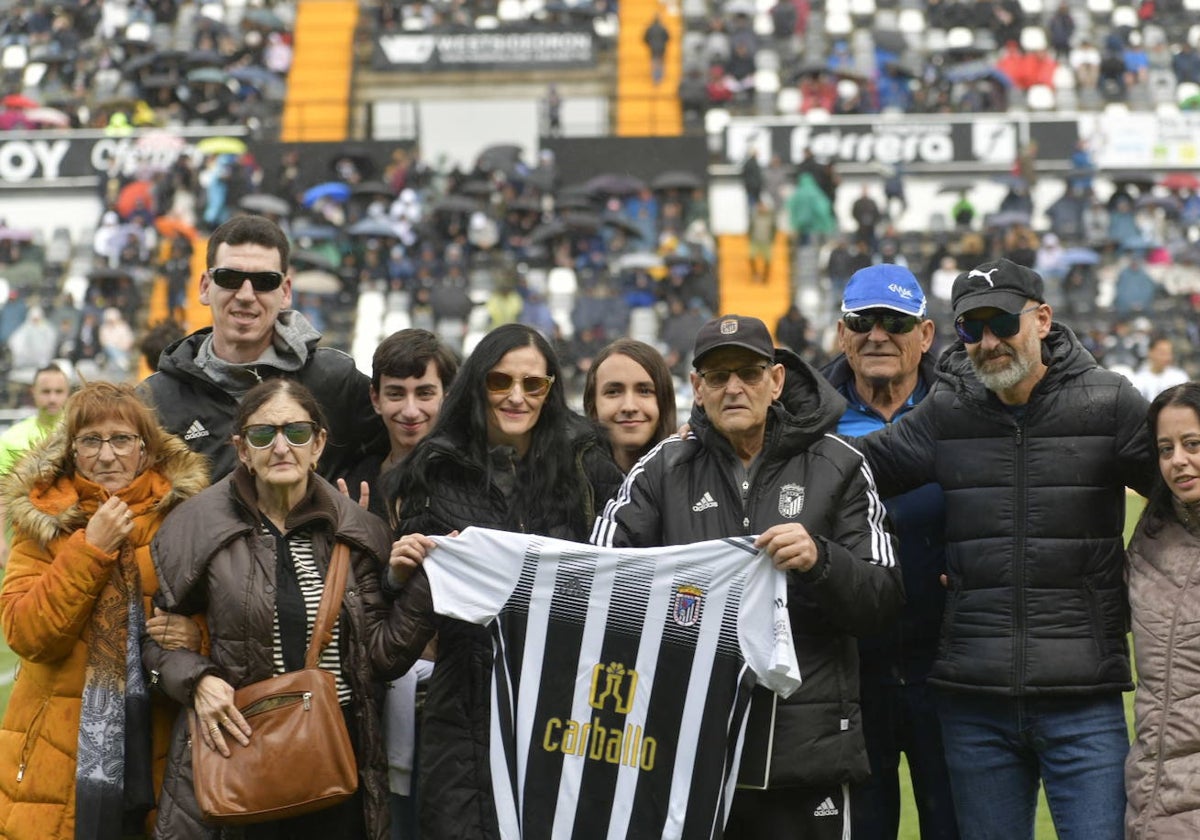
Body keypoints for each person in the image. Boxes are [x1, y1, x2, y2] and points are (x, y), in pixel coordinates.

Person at [854, 258, 1156, 840]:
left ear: (1041, 319)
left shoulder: (1109, 401)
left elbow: (1177, 492)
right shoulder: (947, 411)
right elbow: (855, 469)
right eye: (971, 328)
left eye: (1000, 323)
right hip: (974, 701)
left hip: (1084, 696)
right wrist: (746, 439)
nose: (988, 341)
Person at [591, 314, 903, 838]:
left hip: (805, 753)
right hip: (687, 752)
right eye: (717, 375)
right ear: (697, 387)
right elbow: (597, 580)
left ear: (776, 380)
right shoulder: (661, 470)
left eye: (749, 373)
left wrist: (822, 560)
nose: (734, 387)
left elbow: (884, 599)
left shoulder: (841, 464)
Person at [382, 323, 624, 839]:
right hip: (463, 702)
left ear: (551, 389)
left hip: (567, 701)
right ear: (476, 384)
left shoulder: (588, 467)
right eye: (500, 381)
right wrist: (396, 573)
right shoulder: (435, 469)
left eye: (533, 384)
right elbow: (403, 616)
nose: (516, 396)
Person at [143, 378, 399, 838]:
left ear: (318, 443)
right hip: (238, 755)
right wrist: (197, 681)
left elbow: (382, 657)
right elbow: (157, 644)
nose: (281, 446)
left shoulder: (359, 531)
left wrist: (418, 587)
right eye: (263, 435)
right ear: (242, 449)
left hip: (333, 757)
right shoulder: (196, 527)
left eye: (296, 433)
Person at [0, 381, 209, 838]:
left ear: (146, 449)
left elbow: (227, 619)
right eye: (91, 441)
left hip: (160, 740)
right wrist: (91, 548)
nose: (107, 456)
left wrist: (197, 636)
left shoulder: (186, 515)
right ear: (72, 450)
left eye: (121, 440)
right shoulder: (44, 517)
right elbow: (27, 634)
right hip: (57, 749)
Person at [822, 266, 960, 840]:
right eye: (862, 320)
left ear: (925, 335)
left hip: (953, 670)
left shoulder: (965, 407)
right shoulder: (805, 419)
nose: (877, 334)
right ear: (841, 333)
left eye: (896, 321)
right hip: (846, 672)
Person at [141, 215, 387, 482]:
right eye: (230, 278)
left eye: (264, 281)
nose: (246, 295)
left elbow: (406, 449)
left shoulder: (334, 380)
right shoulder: (154, 402)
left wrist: (358, 513)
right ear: (204, 287)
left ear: (286, 292)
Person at [1125, 382, 1200, 837]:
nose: (1178, 460)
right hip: (1151, 801)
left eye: (1193, 444)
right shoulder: (1150, 541)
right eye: (1165, 448)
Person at [0, 364, 71, 566]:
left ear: (68, 393)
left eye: (58, 392)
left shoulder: (81, 434)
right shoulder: (11, 439)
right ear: (33, 392)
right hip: (26, 538)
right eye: (46, 392)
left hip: (73, 535)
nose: (52, 398)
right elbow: (1, 494)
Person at [583, 338, 677, 474]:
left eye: (644, 391)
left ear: (664, 401)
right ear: (593, 405)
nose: (629, 407)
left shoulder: (694, 478)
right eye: (613, 392)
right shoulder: (569, 484)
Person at [1128, 336, 1188, 402]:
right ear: (1150, 352)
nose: (1167, 357)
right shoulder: (1138, 380)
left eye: (1169, 353)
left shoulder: (1180, 377)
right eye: (1162, 353)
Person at [644, 14, 670, 85]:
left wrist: (649, 44)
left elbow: (645, 38)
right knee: (660, 62)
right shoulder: (663, 28)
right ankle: (660, 76)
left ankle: (655, 77)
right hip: (662, 47)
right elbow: (668, 37)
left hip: (653, 47)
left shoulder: (650, 28)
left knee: (655, 62)